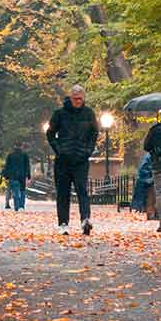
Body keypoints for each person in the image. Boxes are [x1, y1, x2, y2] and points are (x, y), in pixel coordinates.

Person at [44, 83, 98, 235]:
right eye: (75, 99)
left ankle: (85, 219)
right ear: (70, 98)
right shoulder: (60, 114)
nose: (77, 101)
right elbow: (50, 133)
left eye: (80, 99)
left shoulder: (89, 113)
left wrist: (88, 151)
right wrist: (59, 150)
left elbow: (94, 134)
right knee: (63, 192)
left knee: (82, 190)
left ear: (83, 98)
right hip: (63, 160)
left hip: (81, 159)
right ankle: (63, 223)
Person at [2, 142, 31, 212]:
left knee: (15, 191)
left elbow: (7, 166)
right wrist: (28, 176)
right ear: (22, 146)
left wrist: (6, 177)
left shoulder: (10, 155)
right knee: (22, 191)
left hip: (13, 176)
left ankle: (16, 206)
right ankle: (21, 206)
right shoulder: (25, 155)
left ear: (14, 146)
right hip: (22, 175)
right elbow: (27, 166)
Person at [131, 151, 154, 216]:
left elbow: (142, 169)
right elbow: (143, 170)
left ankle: (136, 208)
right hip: (146, 179)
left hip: (145, 178)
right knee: (140, 191)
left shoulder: (148, 156)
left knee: (139, 192)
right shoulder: (150, 156)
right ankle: (137, 208)